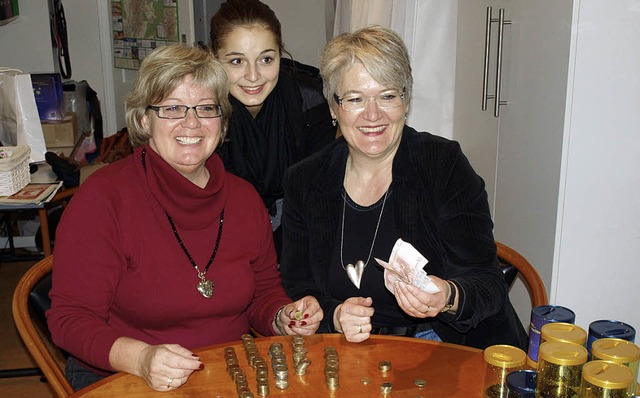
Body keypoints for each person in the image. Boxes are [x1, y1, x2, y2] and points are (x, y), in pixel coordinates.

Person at [47, 44, 323, 392]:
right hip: (124, 377)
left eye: (206, 108)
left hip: (228, 374)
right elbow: (70, 320)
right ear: (144, 119)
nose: (191, 123)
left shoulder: (244, 199)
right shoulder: (104, 199)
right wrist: (141, 358)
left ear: (222, 121)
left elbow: (263, 294)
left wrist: (283, 317)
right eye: (173, 108)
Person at [279, 26, 528, 350]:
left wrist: (448, 296)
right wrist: (336, 315)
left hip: (445, 344)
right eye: (355, 99)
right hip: (347, 350)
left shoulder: (443, 165)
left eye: (387, 96)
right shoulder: (305, 180)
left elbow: (488, 283)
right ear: (333, 107)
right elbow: (299, 287)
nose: (372, 114)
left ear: (405, 100)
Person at [209, 0, 336, 259]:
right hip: (220, 225)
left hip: (296, 223)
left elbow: (317, 194)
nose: (253, 76)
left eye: (266, 59)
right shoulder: (201, 109)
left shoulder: (311, 99)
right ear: (214, 59)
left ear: (281, 53)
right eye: (236, 61)